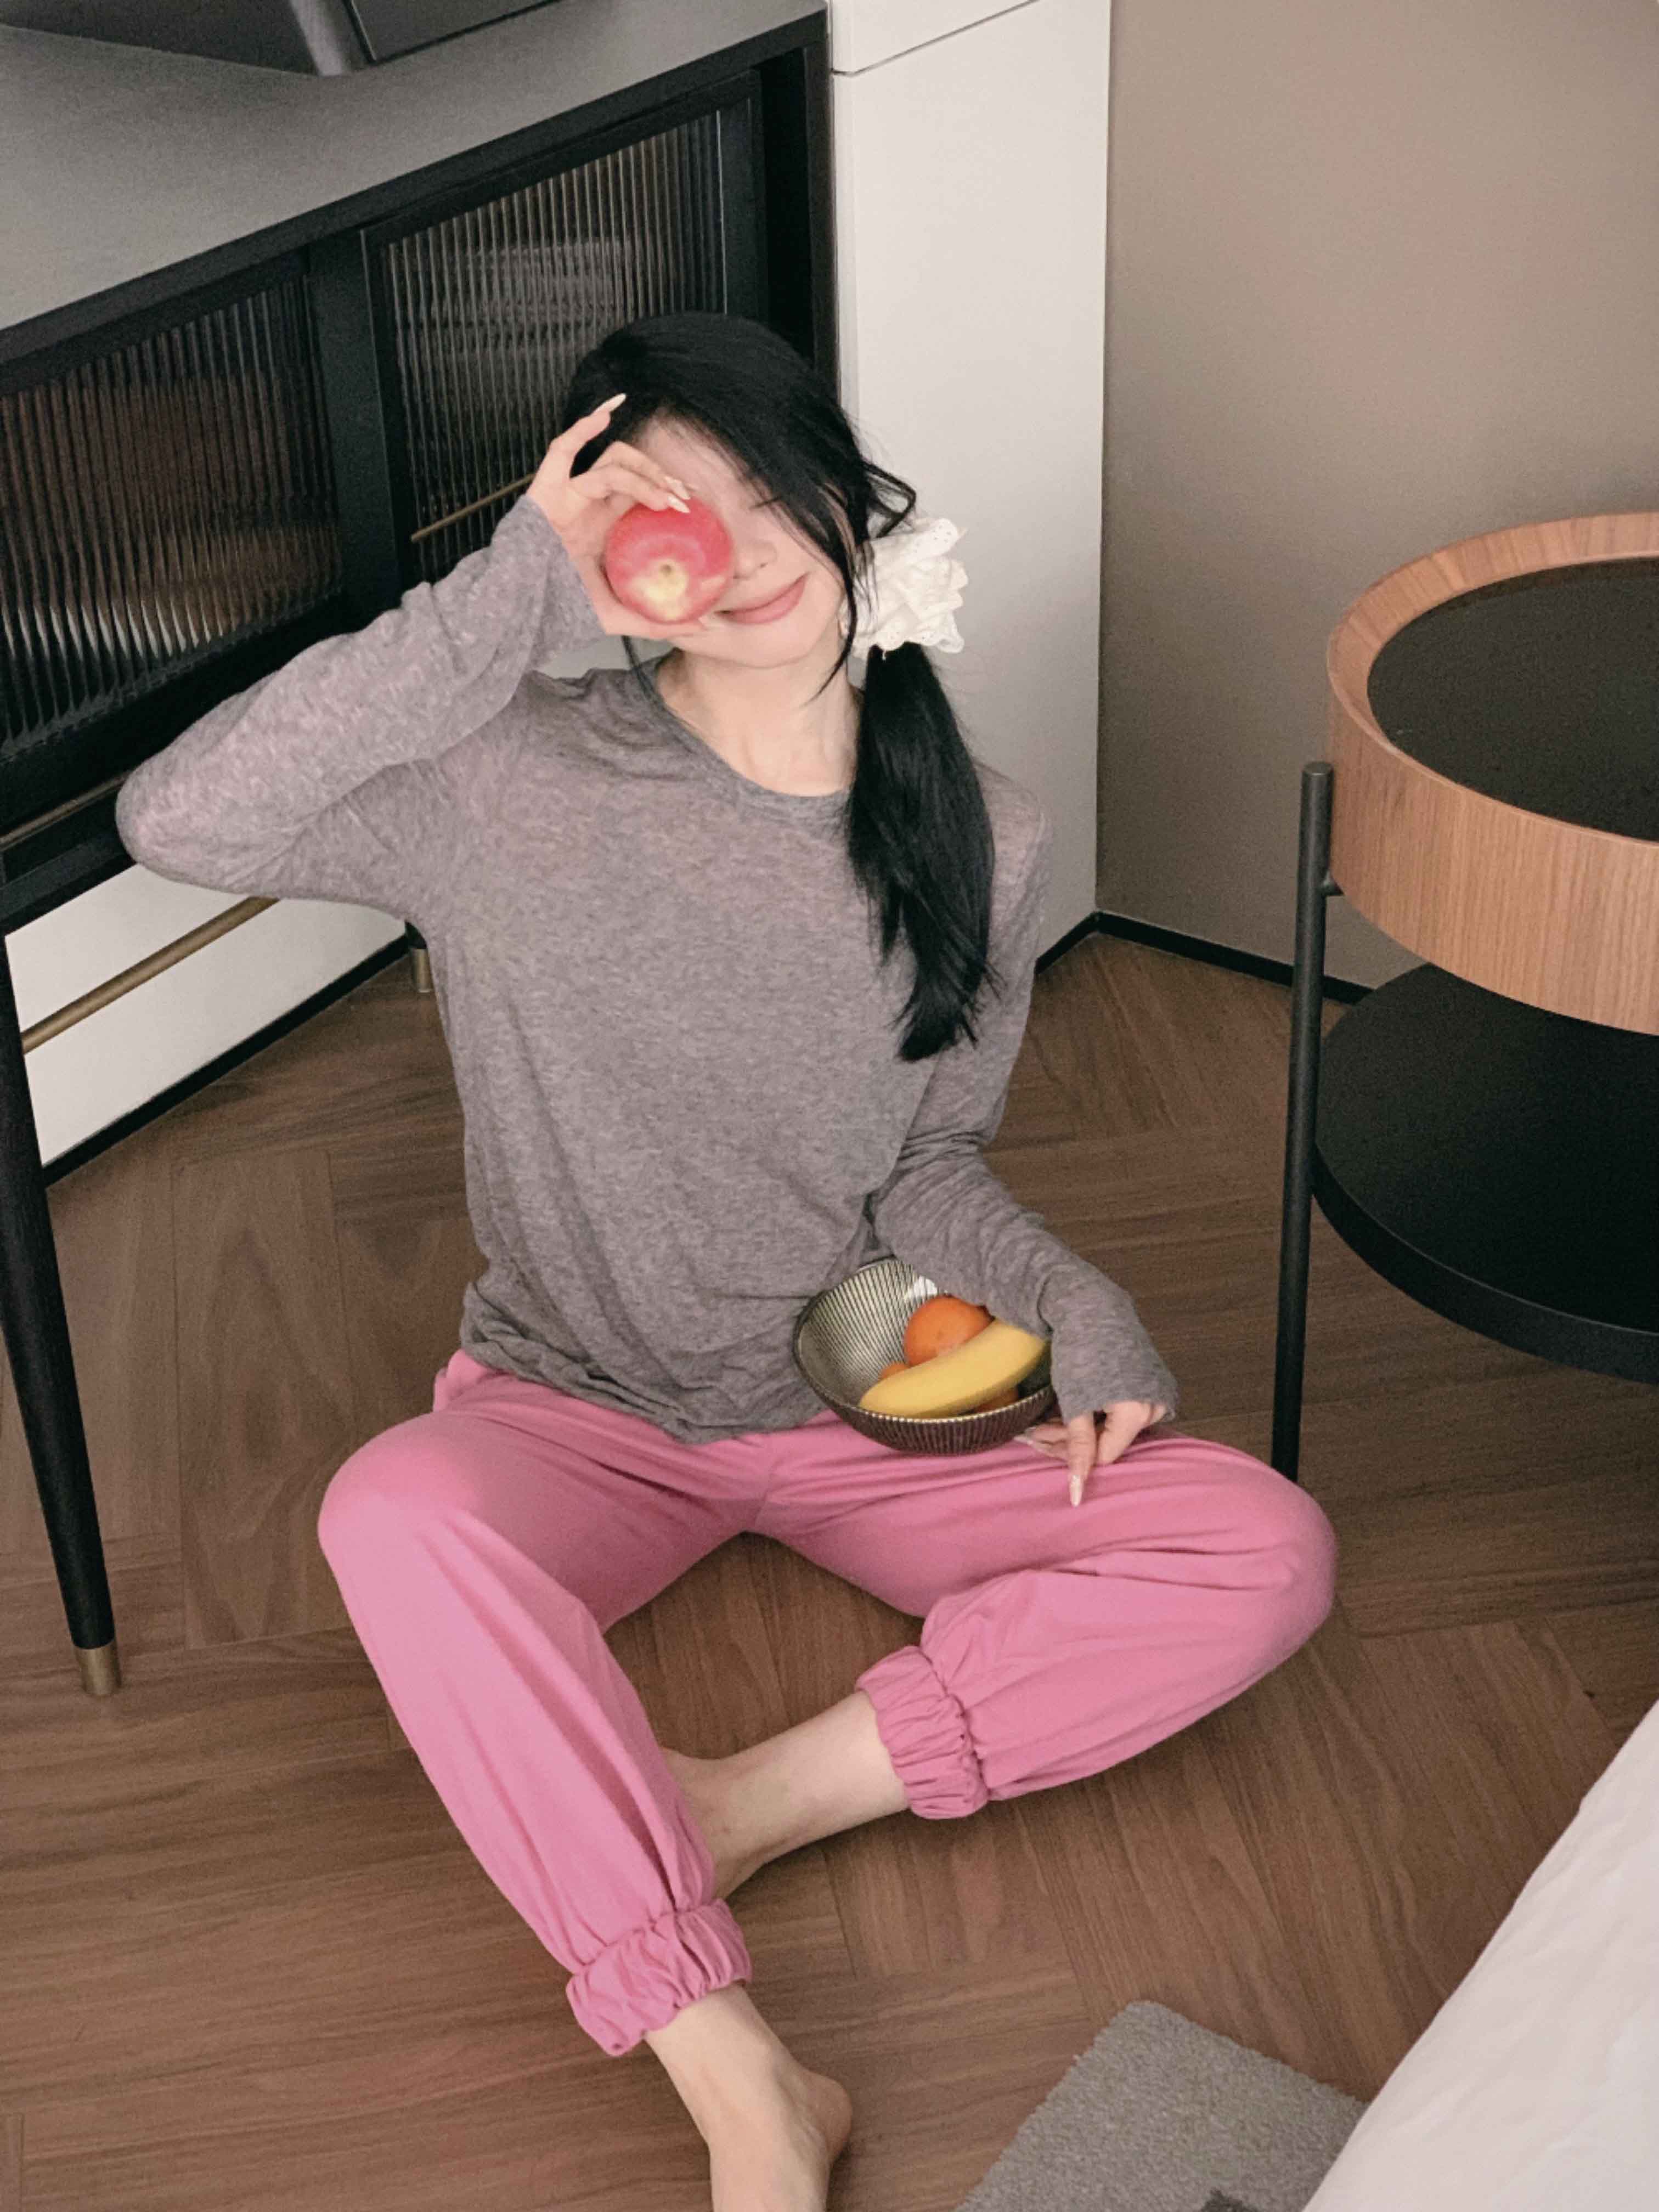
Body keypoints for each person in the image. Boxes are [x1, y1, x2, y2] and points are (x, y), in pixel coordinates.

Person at [115, 311, 1336, 2211]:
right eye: (662, 511)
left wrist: (1081, 1309)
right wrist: (506, 593)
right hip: (572, 1402)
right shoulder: (503, 776)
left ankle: (740, 1803)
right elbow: (176, 817)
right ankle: (741, 2076)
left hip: (863, 1371)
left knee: (1266, 1550)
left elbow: (928, 1158)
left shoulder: (982, 833)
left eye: (768, 490)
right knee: (389, 1516)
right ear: (603, 557)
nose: (739, 549)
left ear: (848, 500)